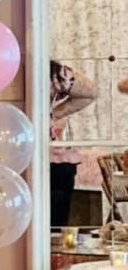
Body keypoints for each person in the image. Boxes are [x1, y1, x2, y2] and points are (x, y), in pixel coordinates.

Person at [50, 60, 96, 226]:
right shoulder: (51, 71)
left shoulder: (51, 71)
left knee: (54, 226)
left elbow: (90, 92)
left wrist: (53, 114)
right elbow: (90, 92)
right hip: (50, 158)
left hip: (53, 159)